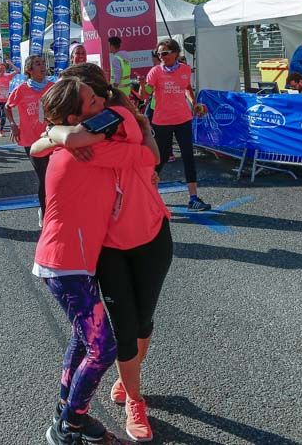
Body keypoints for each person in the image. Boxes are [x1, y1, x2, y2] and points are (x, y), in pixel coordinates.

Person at [36, 63, 169, 442]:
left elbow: (47, 142)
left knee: (89, 338)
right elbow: (147, 156)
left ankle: (69, 410)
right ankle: (69, 426)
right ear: (80, 116)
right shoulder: (91, 147)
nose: (106, 100)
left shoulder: (102, 130)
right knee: (103, 346)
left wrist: (55, 135)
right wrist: (61, 136)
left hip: (76, 260)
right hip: (70, 263)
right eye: (96, 99)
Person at [140, 38, 211, 212]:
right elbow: (145, 95)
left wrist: (193, 103)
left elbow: (186, 87)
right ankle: (149, 193)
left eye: (164, 53)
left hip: (183, 119)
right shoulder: (155, 72)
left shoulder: (185, 69)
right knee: (160, 159)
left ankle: (193, 198)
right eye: (159, 54)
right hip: (162, 121)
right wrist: (143, 85)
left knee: (188, 157)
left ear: (175, 53)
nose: (161, 56)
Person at [5, 55, 53, 227]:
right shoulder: (22, 89)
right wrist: (13, 124)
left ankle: (50, 209)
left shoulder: (52, 87)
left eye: (43, 63)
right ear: (29, 70)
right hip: (30, 140)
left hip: (51, 138)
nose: (42, 66)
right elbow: (7, 106)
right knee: (43, 176)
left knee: (53, 175)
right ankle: (45, 212)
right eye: (37, 64)